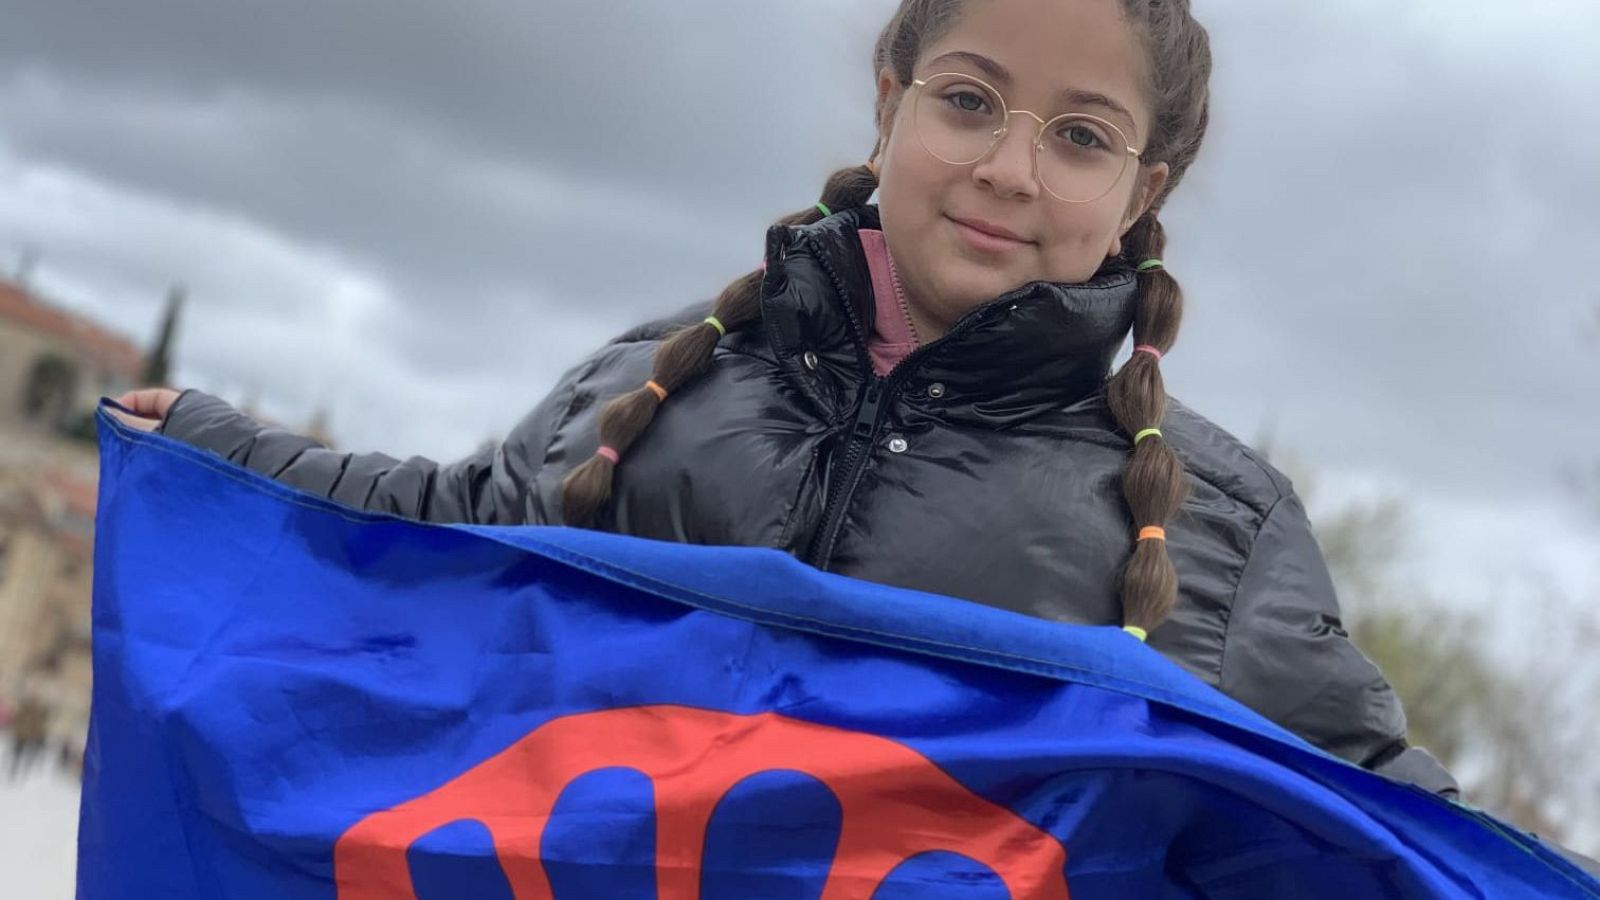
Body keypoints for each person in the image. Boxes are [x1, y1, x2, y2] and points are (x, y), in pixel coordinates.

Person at [112, 0, 1575, 858]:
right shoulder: (664, 382)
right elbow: (444, 538)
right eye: (969, 100)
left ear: (1146, 184)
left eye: (1078, 136)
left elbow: (1379, 825)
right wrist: (224, 457)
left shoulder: (1213, 527)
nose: (1008, 168)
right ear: (889, 103)